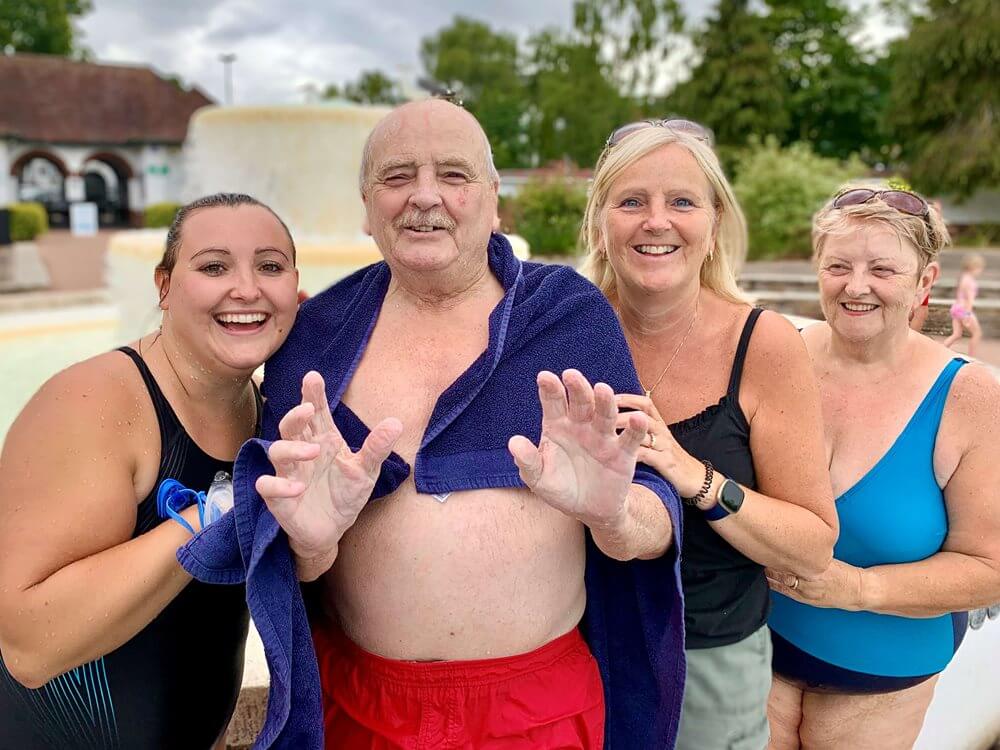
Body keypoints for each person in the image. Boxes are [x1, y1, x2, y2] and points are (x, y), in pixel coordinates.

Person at [238, 99, 685, 750]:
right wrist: (309, 545)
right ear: (366, 207)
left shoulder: (568, 316)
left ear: (493, 200)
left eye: (453, 174)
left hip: (539, 712)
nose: (424, 196)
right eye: (396, 177)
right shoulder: (314, 339)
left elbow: (656, 516)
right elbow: (297, 565)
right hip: (360, 709)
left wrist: (614, 516)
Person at [0, 193, 300, 749]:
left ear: (295, 289)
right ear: (164, 286)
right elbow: (29, 645)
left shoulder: (265, 412)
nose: (247, 288)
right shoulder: (97, 403)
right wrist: (214, 512)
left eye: (270, 266)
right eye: (214, 266)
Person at [578, 120, 839, 750]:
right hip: (574, 650)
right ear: (599, 222)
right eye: (632, 201)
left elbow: (812, 546)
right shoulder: (567, 330)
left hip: (709, 665)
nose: (656, 221)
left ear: (715, 223)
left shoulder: (765, 344)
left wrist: (691, 474)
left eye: (683, 202)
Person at [766, 186, 1000, 749]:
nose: (856, 285)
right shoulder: (776, 354)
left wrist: (855, 588)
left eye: (882, 269)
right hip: (753, 651)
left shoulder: (970, 396)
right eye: (838, 266)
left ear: (926, 280)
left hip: (881, 678)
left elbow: (990, 567)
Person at [943, 253, 985, 357]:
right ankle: (972, 357)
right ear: (973, 267)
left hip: (956, 308)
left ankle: (941, 350)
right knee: (977, 334)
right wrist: (967, 315)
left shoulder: (963, 277)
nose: (981, 271)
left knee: (956, 334)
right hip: (964, 310)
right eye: (980, 268)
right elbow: (969, 300)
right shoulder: (970, 282)